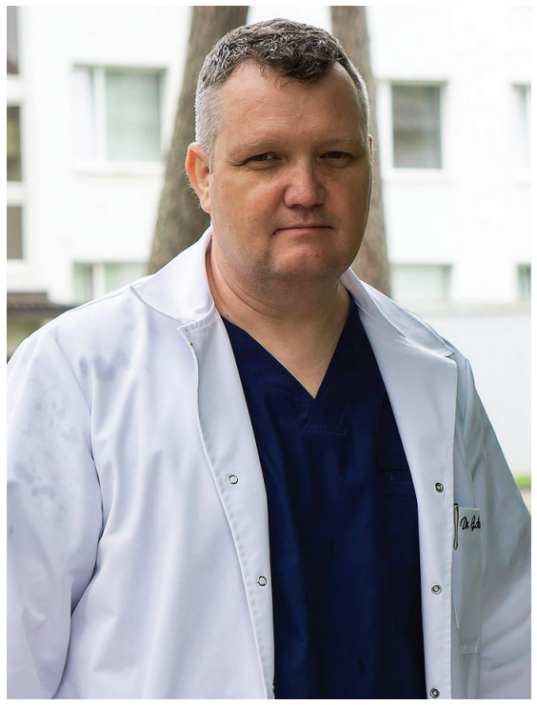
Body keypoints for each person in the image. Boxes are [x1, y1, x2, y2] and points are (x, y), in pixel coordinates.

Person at [7, 19, 530, 700]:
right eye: (265, 158)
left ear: (369, 163)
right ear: (202, 176)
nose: (306, 189)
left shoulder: (438, 374)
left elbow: (509, 643)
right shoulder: (77, 374)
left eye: (335, 155)